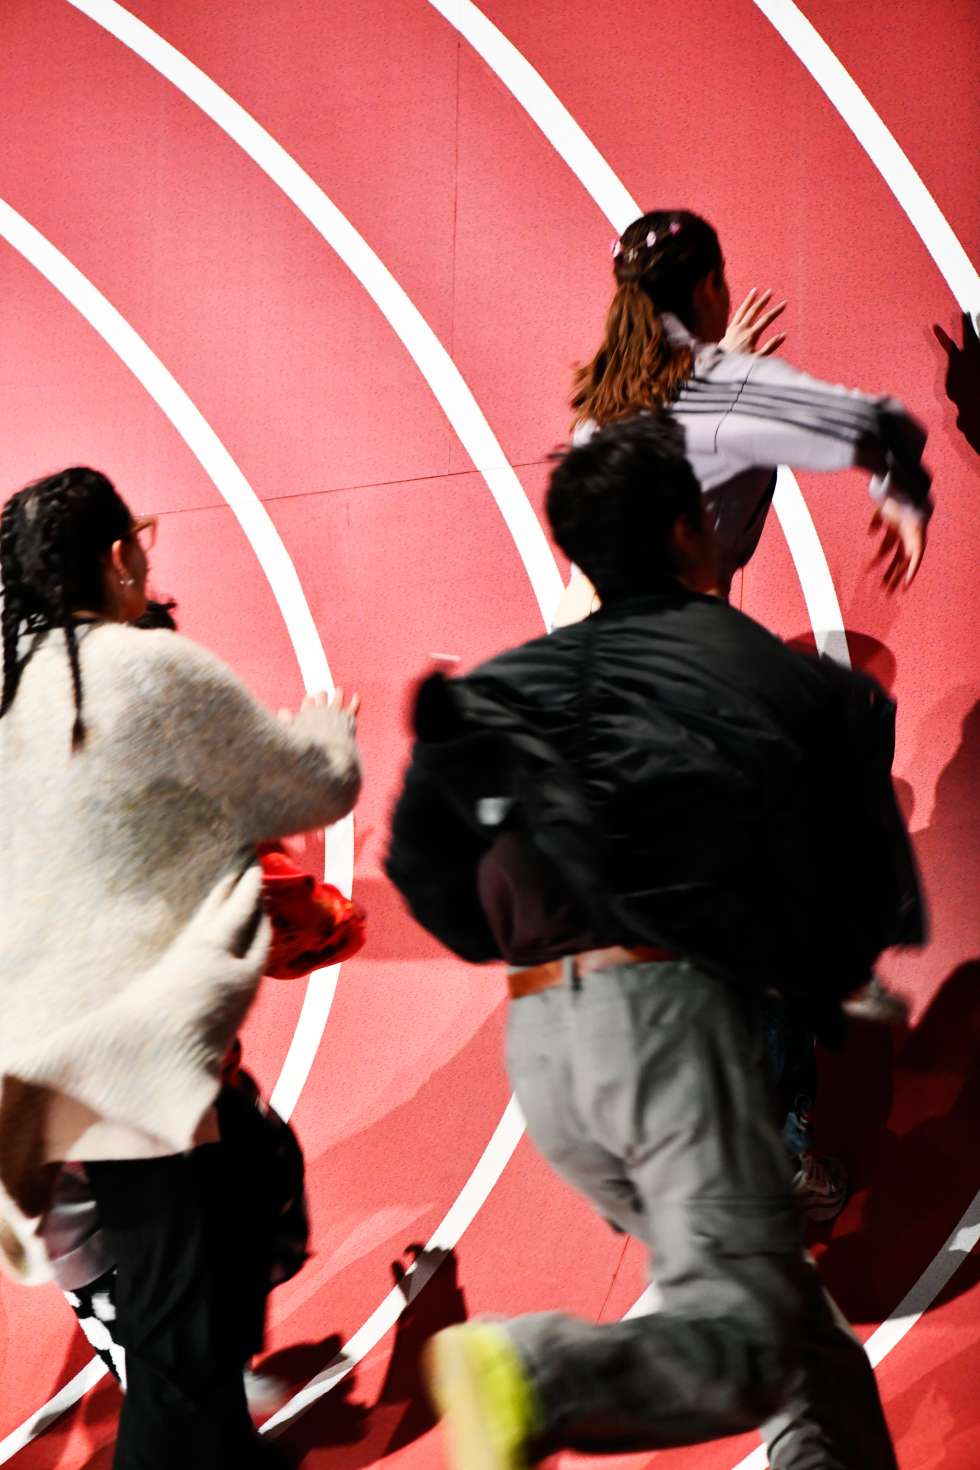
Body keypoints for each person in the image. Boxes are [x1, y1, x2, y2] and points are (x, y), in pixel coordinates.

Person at [386, 416, 923, 1469]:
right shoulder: (766, 671)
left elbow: (424, 873)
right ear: (692, 532)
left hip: (545, 1050)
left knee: (791, 1329)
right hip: (674, 1038)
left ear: (573, 552)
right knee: (744, 1345)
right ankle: (535, 1372)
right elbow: (853, 836)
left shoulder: (498, 689)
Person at [553, 208, 933, 1217]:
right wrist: (899, 499)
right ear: (711, 289)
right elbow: (883, 431)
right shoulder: (726, 395)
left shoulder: (607, 408)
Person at [0, 468, 361, 1468]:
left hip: (33, 1064)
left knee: (239, 1207)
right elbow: (312, 785)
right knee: (176, 1351)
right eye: (141, 540)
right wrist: (330, 723)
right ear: (120, 557)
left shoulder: (5, 681)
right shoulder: (143, 666)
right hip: (120, 1062)